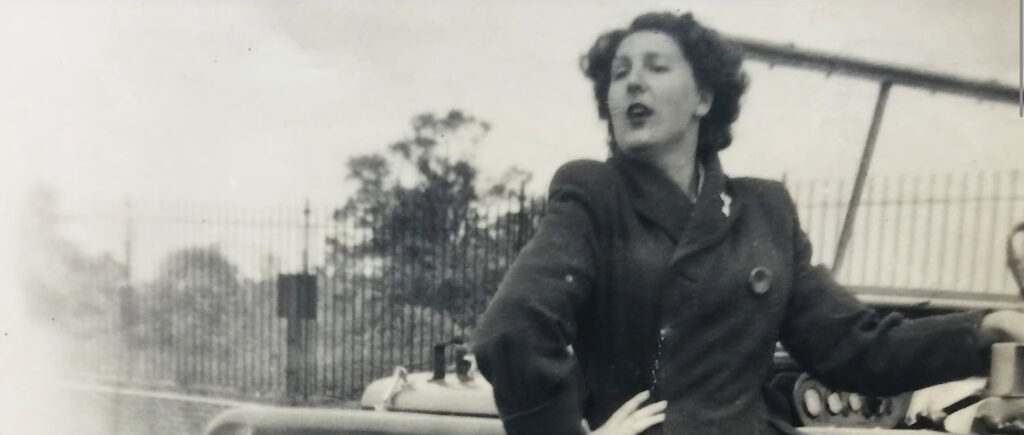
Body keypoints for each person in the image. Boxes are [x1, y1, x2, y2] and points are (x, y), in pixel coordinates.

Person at [471, 11, 1024, 435]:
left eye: (655, 68)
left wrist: (982, 329)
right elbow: (513, 329)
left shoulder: (764, 211)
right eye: (619, 74)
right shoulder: (593, 193)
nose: (632, 84)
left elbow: (853, 346)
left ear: (704, 98)